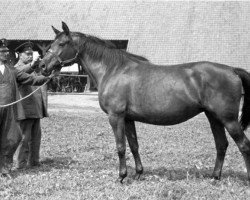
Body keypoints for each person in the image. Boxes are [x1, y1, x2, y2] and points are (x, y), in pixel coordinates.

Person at [0, 38, 51, 176]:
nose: (5, 53)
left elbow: (32, 79)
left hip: (23, 110)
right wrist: (33, 64)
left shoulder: (13, 70)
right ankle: (15, 165)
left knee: (24, 138)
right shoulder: (16, 67)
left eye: (5, 51)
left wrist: (48, 77)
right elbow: (25, 70)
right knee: (17, 138)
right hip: (11, 109)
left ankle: (14, 166)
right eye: (2, 51)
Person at [14, 41, 48, 169]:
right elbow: (23, 72)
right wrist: (33, 64)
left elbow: (38, 76)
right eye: (27, 54)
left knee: (36, 137)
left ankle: (34, 162)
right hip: (25, 109)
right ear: (20, 55)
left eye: (31, 54)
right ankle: (21, 164)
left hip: (35, 109)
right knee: (24, 138)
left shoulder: (32, 67)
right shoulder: (17, 68)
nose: (30, 56)